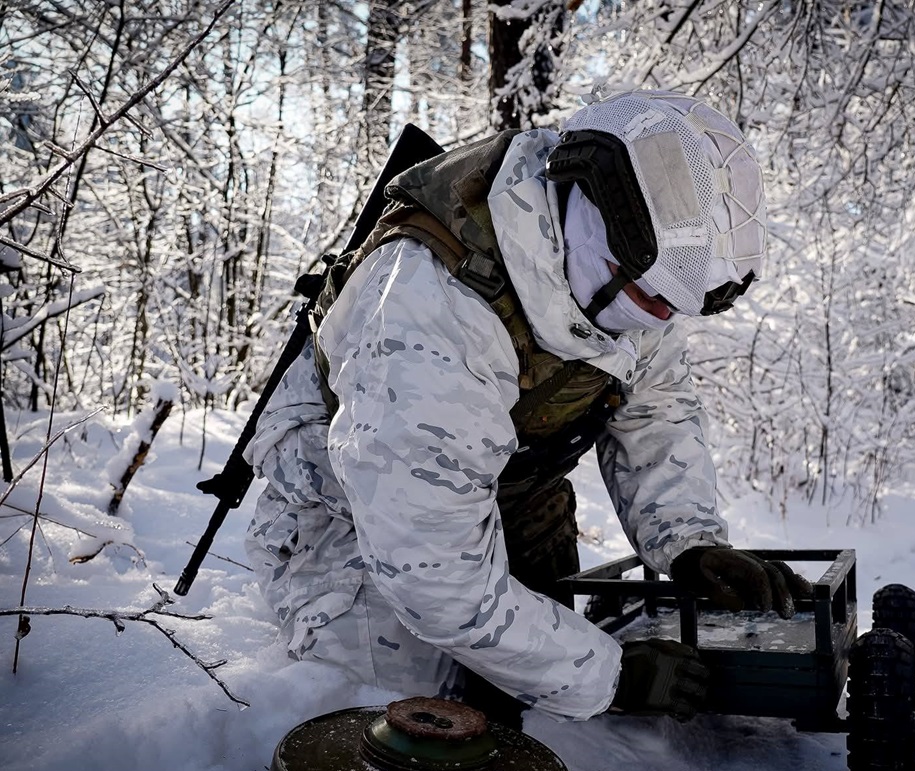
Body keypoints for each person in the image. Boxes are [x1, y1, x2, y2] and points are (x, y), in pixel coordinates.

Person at [244, 89, 810, 726]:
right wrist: (614, 675)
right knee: (413, 705)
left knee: (531, 665)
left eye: (668, 309)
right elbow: (436, 580)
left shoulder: (628, 257)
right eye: (649, 302)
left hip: (502, 487)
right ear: (592, 225)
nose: (656, 322)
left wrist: (688, 546)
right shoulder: (430, 308)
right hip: (357, 517)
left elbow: (655, 413)